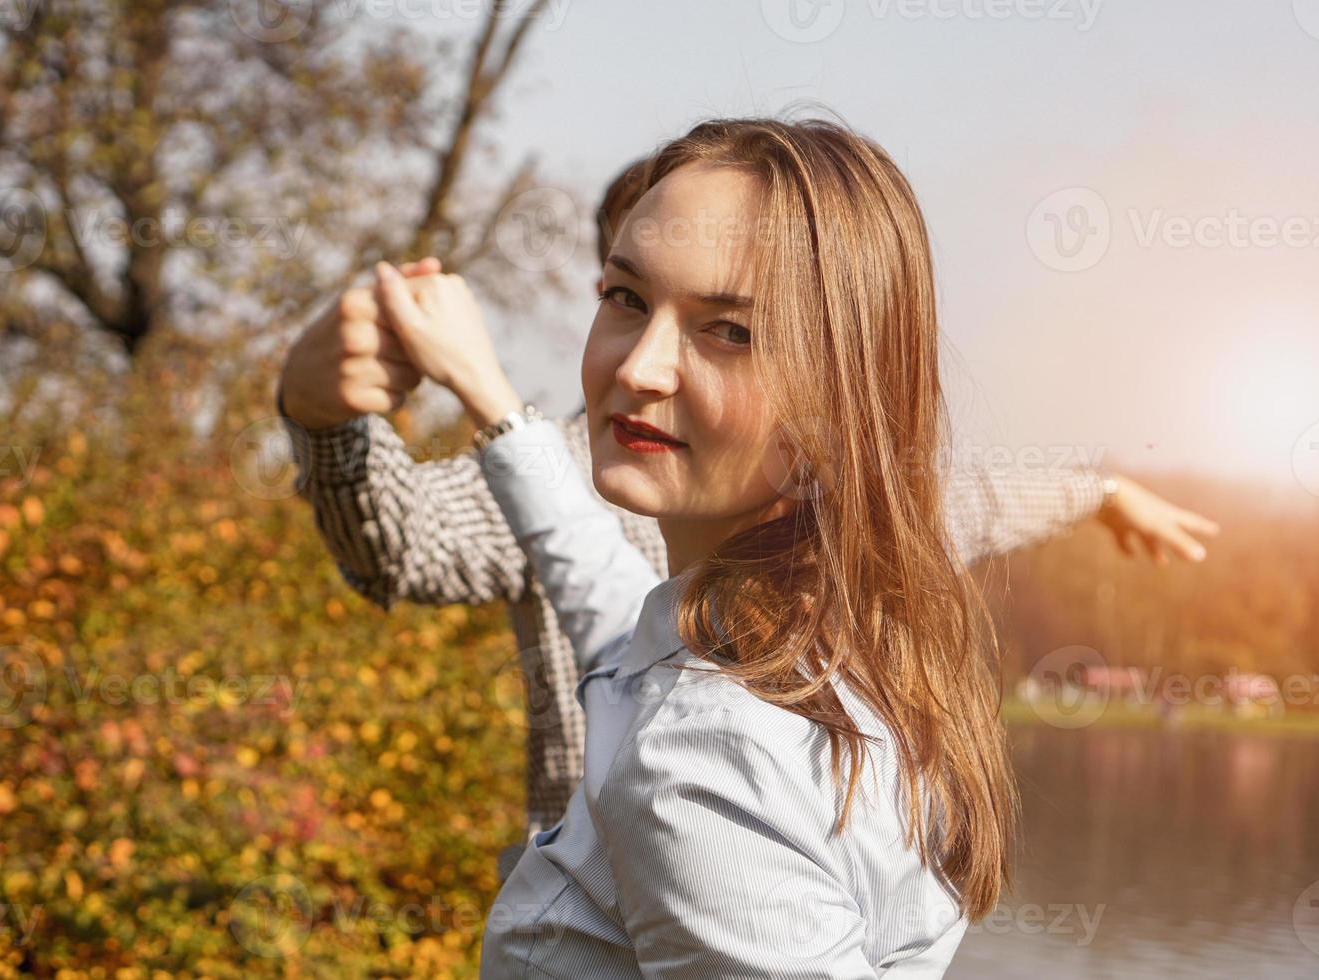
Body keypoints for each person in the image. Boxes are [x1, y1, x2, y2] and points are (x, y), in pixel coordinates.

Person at [318, 115, 1217, 974]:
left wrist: (1096, 490)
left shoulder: (697, 758)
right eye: (627, 296)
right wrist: (393, 402)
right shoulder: (822, 631)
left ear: (837, 391)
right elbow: (593, 592)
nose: (639, 367)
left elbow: (974, 502)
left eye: (730, 329)